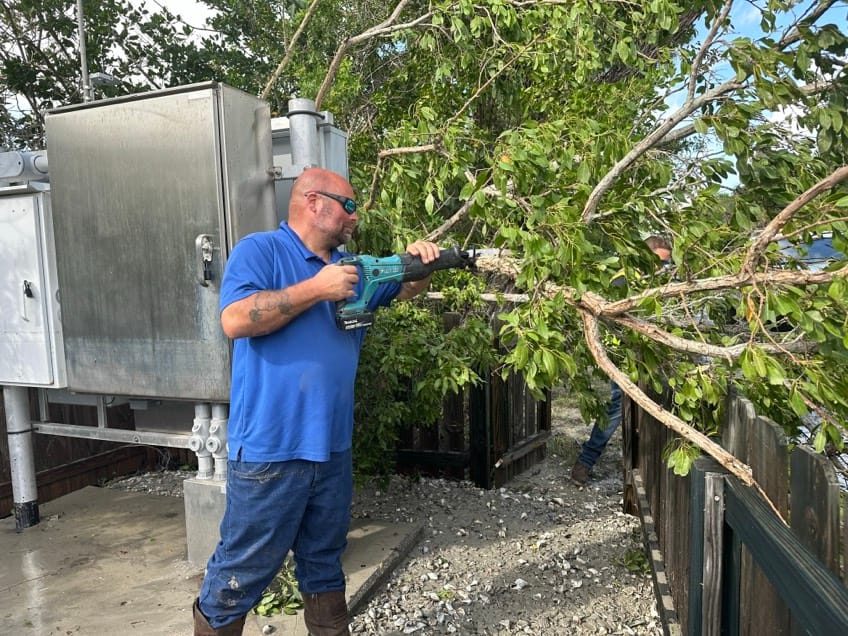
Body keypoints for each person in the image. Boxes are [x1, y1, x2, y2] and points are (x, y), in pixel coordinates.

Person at [193, 167, 441, 636]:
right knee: (240, 572)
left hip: (331, 450)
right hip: (271, 450)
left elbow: (404, 285)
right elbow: (235, 319)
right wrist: (317, 288)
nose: (355, 215)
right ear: (312, 201)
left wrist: (420, 265)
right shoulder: (260, 250)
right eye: (347, 205)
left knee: (324, 565)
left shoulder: (356, 270)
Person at [571, 235, 671, 486]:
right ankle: (584, 462)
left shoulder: (660, 284)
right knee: (618, 405)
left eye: (666, 264)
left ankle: (648, 465)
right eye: (659, 262)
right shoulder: (622, 281)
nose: (662, 269)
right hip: (622, 355)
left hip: (650, 355)